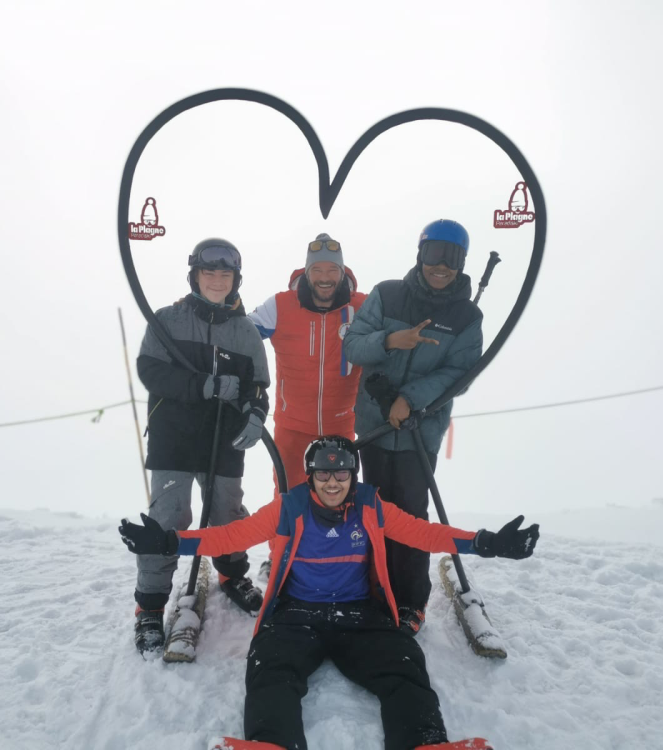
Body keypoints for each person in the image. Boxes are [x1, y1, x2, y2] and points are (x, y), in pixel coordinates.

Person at [119, 435, 539, 750]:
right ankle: (271, 743)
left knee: (404, 666)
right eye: (324, 473)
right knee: (271, 671)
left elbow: (423, 533)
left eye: (342, 473)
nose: (333, 481)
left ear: (353, 476)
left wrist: (485, 542)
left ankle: (425, 743)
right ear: (311, 475)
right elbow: (229, 536)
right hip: (295, 615)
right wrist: (170, 542)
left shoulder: (371, 506)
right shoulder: (289, 507)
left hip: (360, 616)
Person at [342, 219, 483, 637]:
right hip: (373, 424)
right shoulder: (388, 294)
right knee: (373, 509)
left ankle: (409, 600)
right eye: (434, 254)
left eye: (451, 258)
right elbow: (353, 344)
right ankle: (372, 587)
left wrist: (413, 398)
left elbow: (461, 372)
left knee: (411, 512)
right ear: (420, 255)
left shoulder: (466, 316)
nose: (441, 266)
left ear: (461, 263)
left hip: (420, 431)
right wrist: (391, 340)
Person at [133, 237, 270, 654]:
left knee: (226, 514)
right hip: (174, 437)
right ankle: (151, 608)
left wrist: (255, 415)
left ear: (235, 279)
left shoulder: (245, 332)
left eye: (225, 274)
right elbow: (149, 370)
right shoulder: (167, 319)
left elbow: (258, 386)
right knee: (168, 517)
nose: (216, 280)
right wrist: (203, 385)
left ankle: (232, 575)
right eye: (208, 272)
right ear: (194, 275)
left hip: (224, 441)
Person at [247, 232, 367, 579]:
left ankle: (335, 556)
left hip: (341, 423)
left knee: (337, 493)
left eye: (333, 269)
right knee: (287, 493)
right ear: (308, 271)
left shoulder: (361, 306)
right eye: (319, 270)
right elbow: (242, 334)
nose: (326, 277)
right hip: (292, 423)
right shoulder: (281, 305)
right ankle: (279, 555)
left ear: (342, 272)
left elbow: (392, 334)